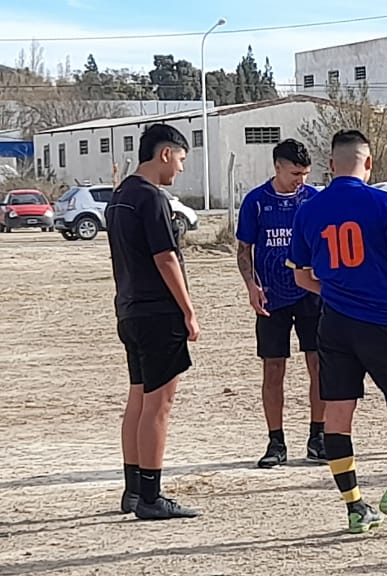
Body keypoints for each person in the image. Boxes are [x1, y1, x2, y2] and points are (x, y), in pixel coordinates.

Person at [287, 129, 387, 534]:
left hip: (333, 323)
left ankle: (354, 507)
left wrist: (333, 288)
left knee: (337, 413)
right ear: (368, 164)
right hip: (385, 320)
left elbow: (301, 277)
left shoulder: (308, 211)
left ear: (331, 165)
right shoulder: (386, 203)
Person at [107, 123, 200, 520]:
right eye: (180, 159)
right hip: (158, 312)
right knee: (159, 406)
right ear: (164, 154)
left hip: (128, 309)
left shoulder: (118, 197)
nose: (179, 168)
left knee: (138, 399)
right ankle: (151, 495)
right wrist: (189, 309)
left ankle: (133, 490)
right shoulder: (152, 199)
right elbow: (167, 258)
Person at [235, 139, 325, 468]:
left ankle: (318, 436)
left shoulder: (314, 199)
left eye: (304, 173)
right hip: (272, 296)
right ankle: (276, 441)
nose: (299, 179)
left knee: (319, 365)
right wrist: (251, 286)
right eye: (294, 173)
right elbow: (244, 249)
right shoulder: (256, 202)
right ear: (277, 167)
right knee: (274, 369)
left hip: (310, 295)